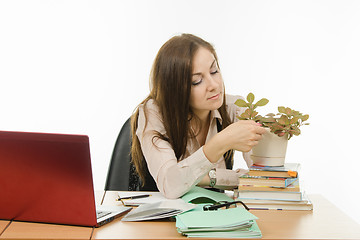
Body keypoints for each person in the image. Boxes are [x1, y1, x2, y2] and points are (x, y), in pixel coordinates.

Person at [130, 33, 266, 199]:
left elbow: (266, 178)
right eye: (196, 81)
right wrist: (220, 143)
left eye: (214, 71)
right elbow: (170, 185)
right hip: (159, 218)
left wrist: (210, 178)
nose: (214, 85)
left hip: (216, 216)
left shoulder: (234, 108)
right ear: (175, 89)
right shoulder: (153, 112)